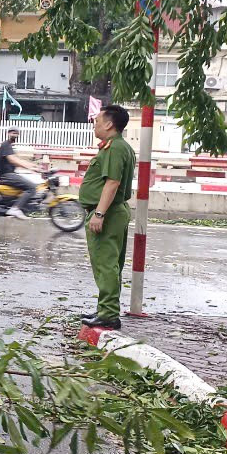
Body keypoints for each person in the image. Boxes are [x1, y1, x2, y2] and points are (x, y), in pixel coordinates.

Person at [80, 104, 135, 329]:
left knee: (106, 264)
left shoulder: (114, 148)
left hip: (108, 212)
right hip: (113, 211)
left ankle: (109, 314)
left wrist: (99, 213)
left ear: (110, 124)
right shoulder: (119, 147)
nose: (95, 123)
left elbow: (112, 183)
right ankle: (106, 308)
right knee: (111, 265)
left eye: (98, 120)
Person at [0, 127, 45, 220]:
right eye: (13, 133)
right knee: (31, 187)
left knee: (29, 184)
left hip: (10, 174)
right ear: (8, 133)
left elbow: (19, 160)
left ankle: (18, 205)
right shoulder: (6, 145)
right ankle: (15, 209)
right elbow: (13, 160)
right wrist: (30, 168)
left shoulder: (9, 146)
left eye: (17, 133)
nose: (15, 135)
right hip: (6, 175)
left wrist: (35, 166)